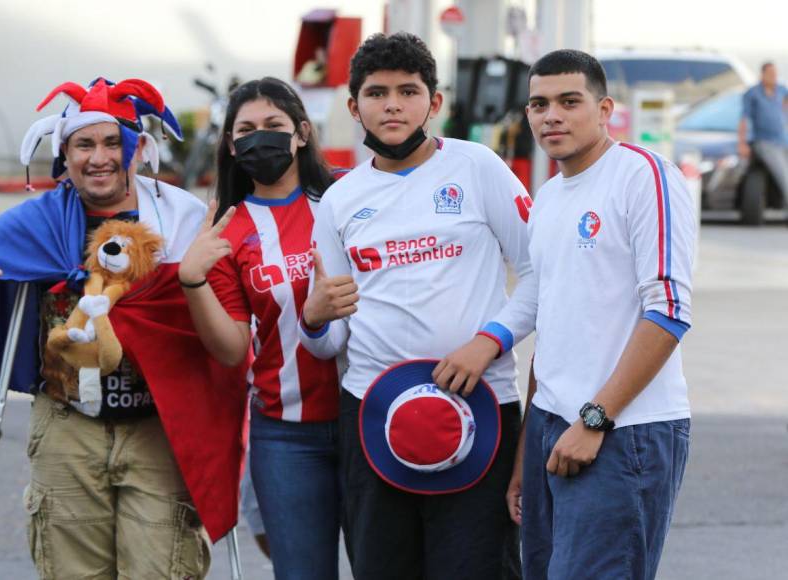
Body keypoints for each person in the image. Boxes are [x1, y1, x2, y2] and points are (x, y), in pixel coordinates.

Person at [0, 77, 248, 579]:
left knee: (164, 570)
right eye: (84, 144)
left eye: (113, 142)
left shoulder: (182, 219)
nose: (99, 158)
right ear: (64, 155)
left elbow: (229, 316)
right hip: (67, 426)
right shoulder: (38, 221)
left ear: (136, 148)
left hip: (160, 426)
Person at [299, 32, 536, 579]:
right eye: (377, 93)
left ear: (434, 102)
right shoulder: (339, 200)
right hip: (374, 414)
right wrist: (313, 319)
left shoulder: (478, 168)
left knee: (477, 569)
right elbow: (332, 338)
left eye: (408, 91)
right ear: (355, 106)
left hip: (479, 404)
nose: (393, 105)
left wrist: (490, 341)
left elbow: (540, 275)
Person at [506, 49, 695, 579]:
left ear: (604, 108)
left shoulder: (642, 176)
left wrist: (595, 418)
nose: (553, 116)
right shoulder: (547, 198)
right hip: (552, 428)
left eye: (570, 101)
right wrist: (527, 451)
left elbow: (670, 312)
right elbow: (555, 330)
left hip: (623, 430)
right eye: (539, 104)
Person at [178, 77, 343, 580]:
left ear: (301, 133)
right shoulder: (228, 229)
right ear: (231, 144)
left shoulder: (347, 200)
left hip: (368, 418)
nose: (260, 137)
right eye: (246, 129)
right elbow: (230, 349)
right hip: (286, 435)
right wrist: (192, 279)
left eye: (273, 125)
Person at [738, 61, 788, 209]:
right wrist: (742, 143)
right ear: (763, 75)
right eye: (770, 74)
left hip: (783, 140)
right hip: (765, 142)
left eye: (775, 74)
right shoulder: (753, 93)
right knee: (784, 175)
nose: (773, 77)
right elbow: (744, 119)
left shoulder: (781, 90)